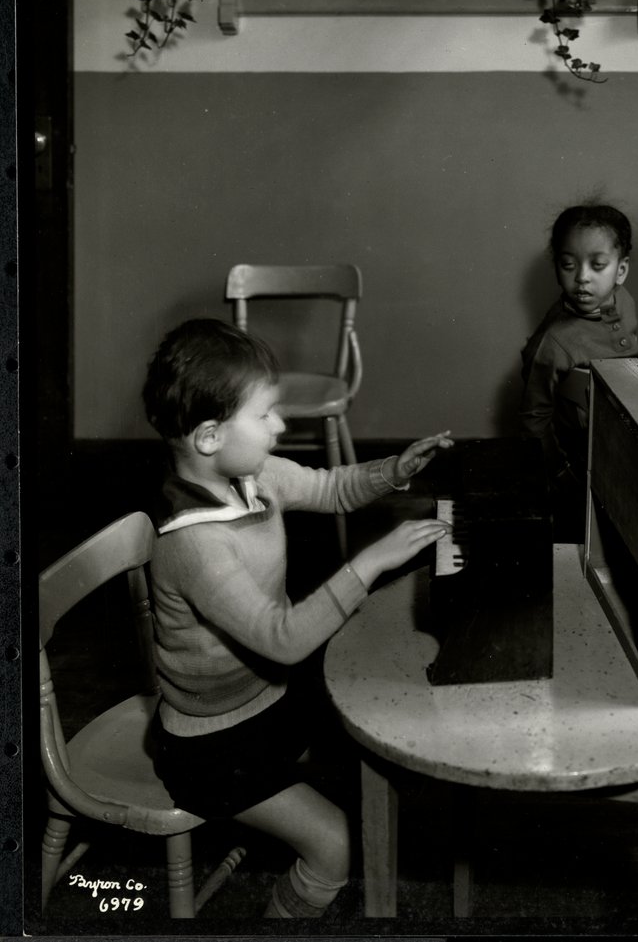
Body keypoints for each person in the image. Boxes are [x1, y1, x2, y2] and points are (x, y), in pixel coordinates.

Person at [141, 318, 453, 918]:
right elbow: (282, 641)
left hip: (271, 702)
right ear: (209, 436)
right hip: (213, 750)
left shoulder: (252, 477)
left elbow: (332, 487)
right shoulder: (193, 544)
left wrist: (396, 470)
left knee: (384, 724)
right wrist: (371, 562)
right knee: (335, 841)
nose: (281, 426)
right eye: (265, 415)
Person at [520, 203, 638, 536]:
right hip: (585, 458)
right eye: (568, 264)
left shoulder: (623, 301)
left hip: (630, 433)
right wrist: (558, 474)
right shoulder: (554, 342)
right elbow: (533, 419)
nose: (582, 277)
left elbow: (629, 349)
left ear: (621, 270)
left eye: (598, 265)